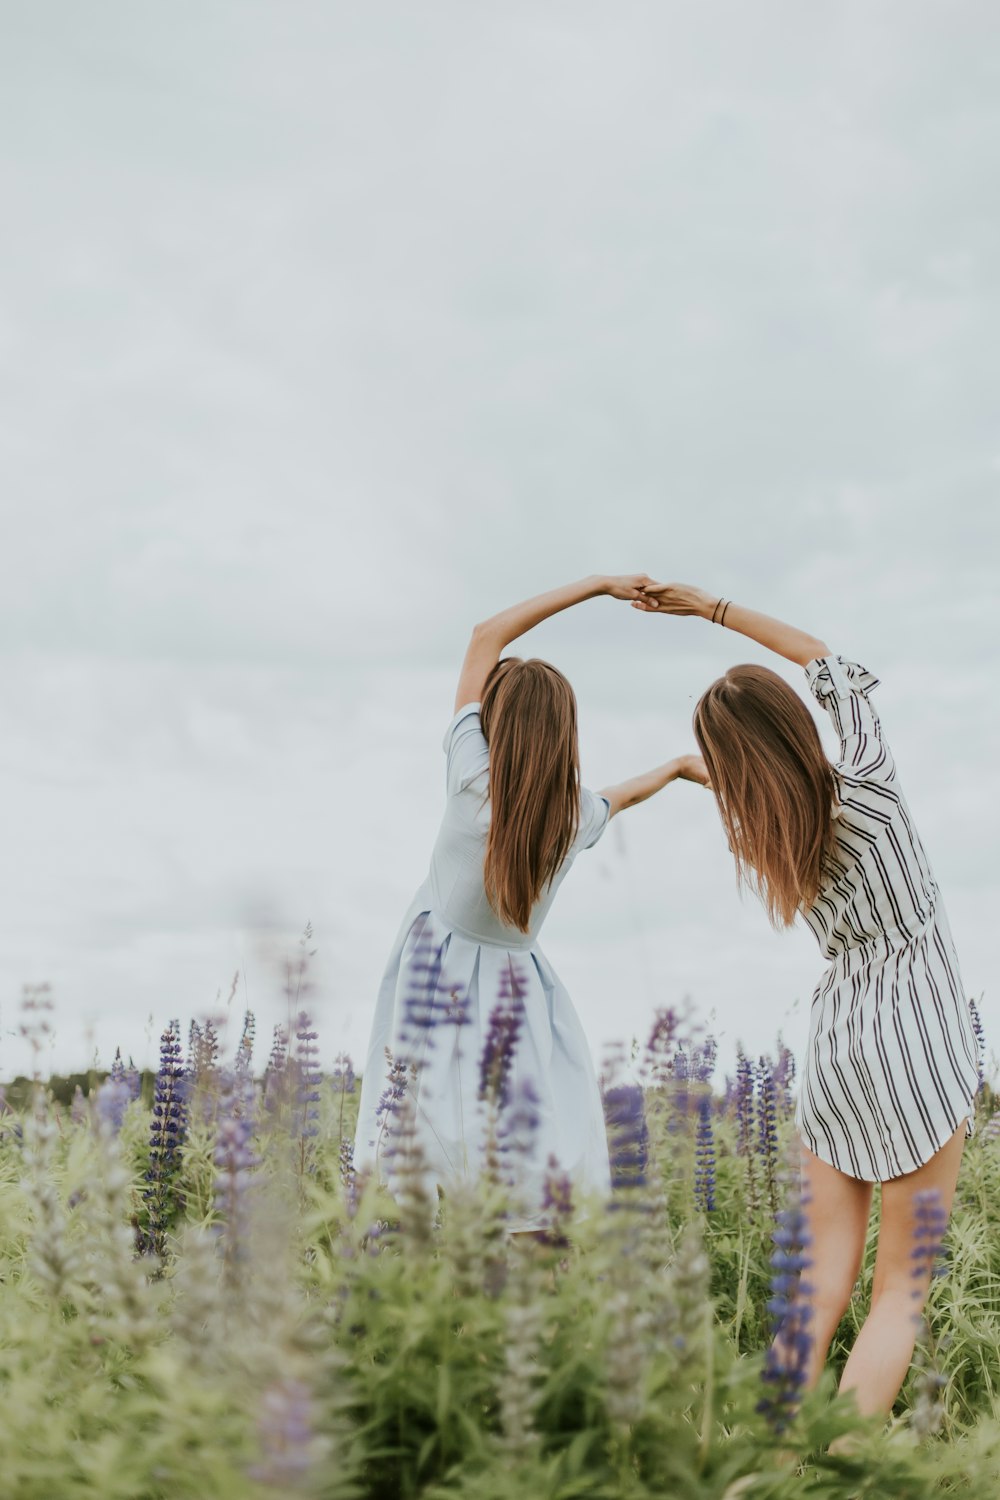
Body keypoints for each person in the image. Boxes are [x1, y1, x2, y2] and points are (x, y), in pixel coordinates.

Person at [632, 581, 980, 1418]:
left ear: (730, 769)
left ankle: (768, 1460)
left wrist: (695, 768)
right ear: (794, 725)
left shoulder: (771, 830)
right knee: (900, 1291)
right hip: (917, 1034)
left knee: (812, 1293)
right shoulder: (871, 787)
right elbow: (826, 660)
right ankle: (849, 1472)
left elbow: (758, 782)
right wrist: (707, 608)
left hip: (838, 1043)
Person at [353, 574, 709, 1228]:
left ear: (494, 724)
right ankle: (527, 1287)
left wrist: (600, 586)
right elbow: (624, 794)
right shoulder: (571, 818)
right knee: (522, 1161)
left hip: (435, 980)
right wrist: (682, 766)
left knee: (415, 1140)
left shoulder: (470, 784)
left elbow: (485, 634)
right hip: (520, 992)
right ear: (564, 737)